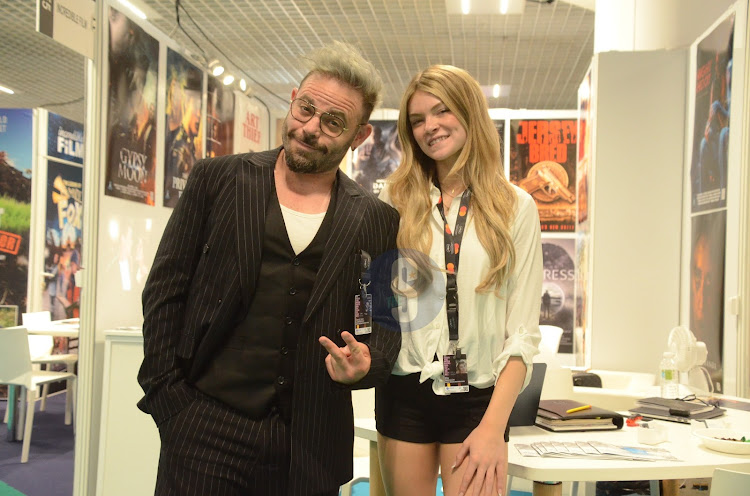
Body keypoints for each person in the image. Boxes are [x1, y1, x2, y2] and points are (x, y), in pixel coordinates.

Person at [137, 41, 401, 496]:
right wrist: (170, 402)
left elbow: (383, 323)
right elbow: (165, 291)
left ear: (359, 136)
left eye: (333, 121)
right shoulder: (216, 181)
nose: (310, 128)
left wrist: (368, 365)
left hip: (311, 445)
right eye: (305, 109)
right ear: (295, 97)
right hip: (203, 429)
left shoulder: (375, 219)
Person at [376, 65, 542, 496]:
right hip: (405, 388)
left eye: (442, 110)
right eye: (417, 120)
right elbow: (375, 300)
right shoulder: (394, 200)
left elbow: (521, 335)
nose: (430, 126)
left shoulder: (515, 207)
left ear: (469, 112)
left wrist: (494, 427)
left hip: (477, 398)